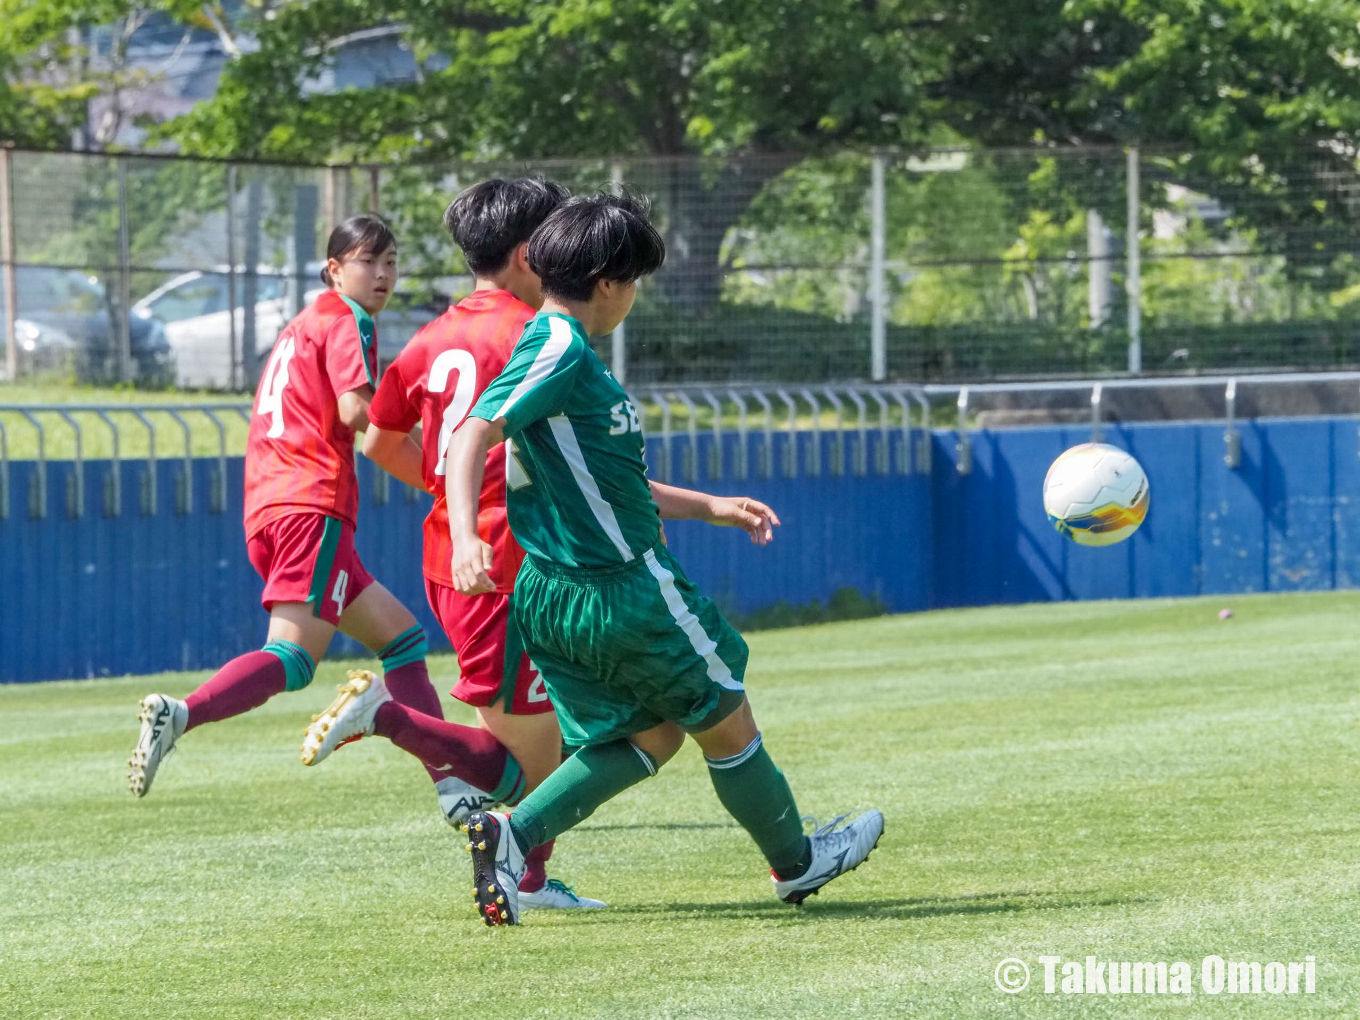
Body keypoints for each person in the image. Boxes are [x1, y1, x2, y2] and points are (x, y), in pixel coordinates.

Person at [400, 190, 879, 925]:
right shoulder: (558, 347)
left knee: (651, 734)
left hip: (556, 594)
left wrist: (708, 505)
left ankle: (511, 831)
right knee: (726, 713)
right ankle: (796, 861)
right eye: (634, 282)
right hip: (623, 589)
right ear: (608, 283)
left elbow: (602, 479)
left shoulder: (553, 351)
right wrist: (466, 536)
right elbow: (470, 435)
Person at [129, 215, 519, 823]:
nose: (384, 274)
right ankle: (180, 713)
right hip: (311, 504)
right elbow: (355, 409)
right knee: (294, 658)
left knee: (403, 639)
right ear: (334, 268)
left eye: (391, 262)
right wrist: (449, 446)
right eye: (370, 262)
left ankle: (452, 784)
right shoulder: (347, 320)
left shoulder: (302, 323)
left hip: (270, 506)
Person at [301, 178, 603, 910]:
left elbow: (378, 439)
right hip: (503, 563)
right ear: (533, 253)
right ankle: (391, 719)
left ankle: (524, 877)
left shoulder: (432, 337)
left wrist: (447, 492)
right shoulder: (534, 335)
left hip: (455, 556)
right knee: (539, 764)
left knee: (544, 743)